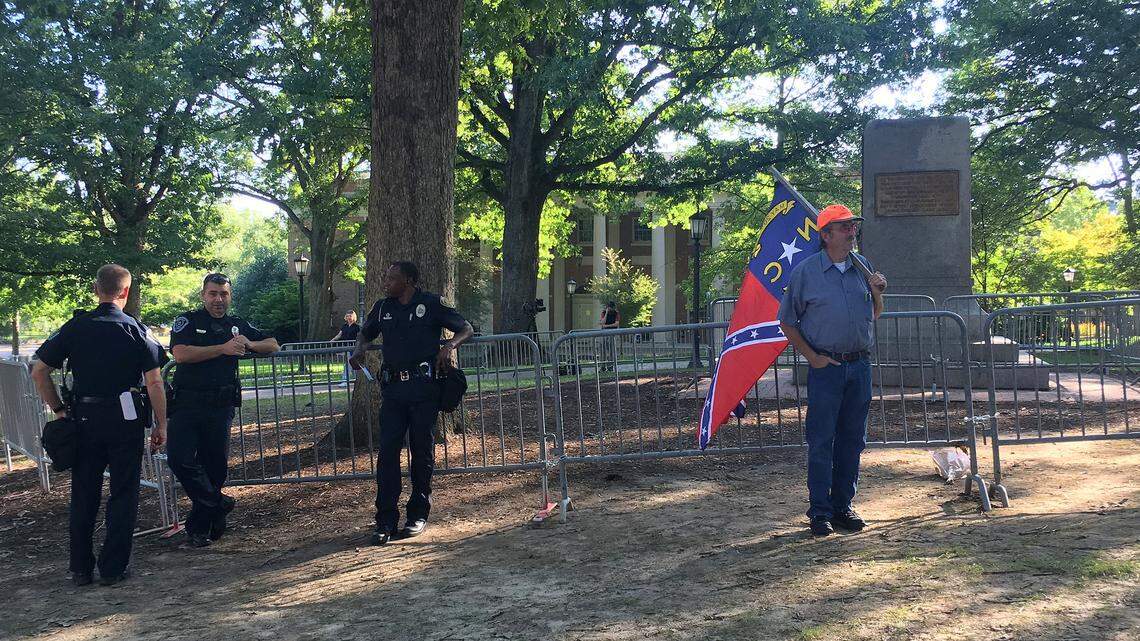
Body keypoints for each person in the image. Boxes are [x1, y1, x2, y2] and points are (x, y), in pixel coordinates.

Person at [31, 264, 168, 586]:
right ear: (126, 292)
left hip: (84, 420)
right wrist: (162, 424)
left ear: (96, 290)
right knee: (124, 493)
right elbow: (155, 382)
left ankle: (80, 568)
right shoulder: (137, 329)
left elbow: (39, 371)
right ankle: (113, 568)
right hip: (125, 421)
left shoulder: (75, 327)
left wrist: (59, 409)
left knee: (83, 494)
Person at [777, 204, 887, 537]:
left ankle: (843, 506)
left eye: (853, 226)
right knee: (822, 440)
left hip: (860, 366)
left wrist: (877, 293)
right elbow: (787, 322)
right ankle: (820, 512)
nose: (852, 232)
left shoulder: (862, 266)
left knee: (853, 440)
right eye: (844, 227)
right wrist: (813, 357)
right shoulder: (806, 272)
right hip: (827, 368)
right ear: (826, 235)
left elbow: (874, 314)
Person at [350, 261, 473, 545]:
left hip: (423, 391)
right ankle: (385, 520)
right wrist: (359, 349)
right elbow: (365, 332)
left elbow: (466, 328)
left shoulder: (431, 304)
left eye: (391, 278)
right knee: (387, 455)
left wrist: (449, 346)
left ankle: (417, 515)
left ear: (408, 281)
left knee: (421, 453)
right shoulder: (383, 307)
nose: (385, 282)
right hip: (393, 392)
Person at [166, 273, 280, 547]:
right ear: (203, 295)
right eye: (213, 293)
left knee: (215, 467)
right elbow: (180, 353)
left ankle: (202, 528)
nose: (218, 299)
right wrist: (223, 349)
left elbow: (273, 344)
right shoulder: (188, 321)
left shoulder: (236, 325)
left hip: (221, 405)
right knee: (179, 458)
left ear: (230, 296)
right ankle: (219, 504)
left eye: (224, 294)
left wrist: (248, 344)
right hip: (187, 403)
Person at [331, 311, 361, 385]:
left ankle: (347, 380)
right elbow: (339, 335)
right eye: (347, 316)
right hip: (346, 347)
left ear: (353, 317)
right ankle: (349, 380)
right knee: (350, 363)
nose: (348, 318)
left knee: (351, 363)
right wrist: (332, 340)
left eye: (350, 316)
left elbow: (360, 336)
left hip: (353, 347)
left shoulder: (357, 327)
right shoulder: (344, 326)